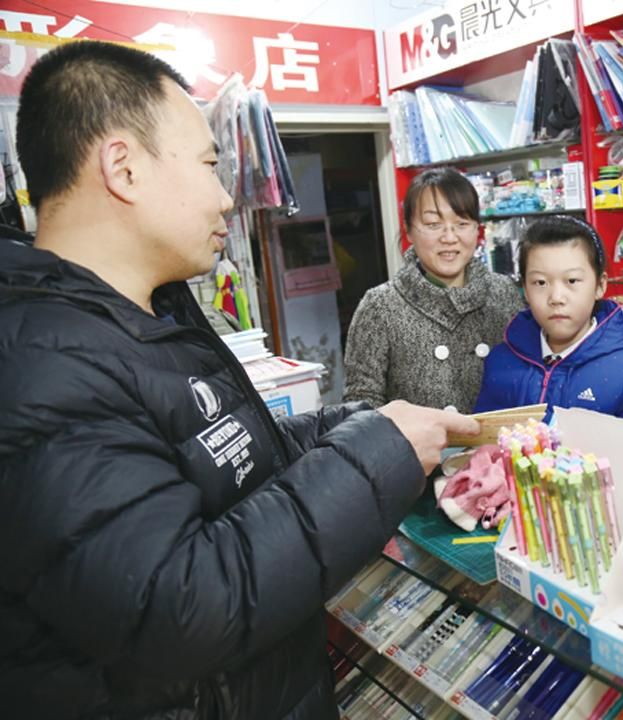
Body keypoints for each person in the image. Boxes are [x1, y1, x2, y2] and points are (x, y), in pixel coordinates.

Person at [0, 41, 478, 719]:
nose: (227, 195)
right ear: (123, 168)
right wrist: (380, 453)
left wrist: (366, 424)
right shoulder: (38, 366)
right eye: (208, 165)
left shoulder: (150, 313)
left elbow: (232, 459)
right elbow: (180, 605)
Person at [344, 168, 523, 412]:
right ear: (408, 230)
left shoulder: (505, 293)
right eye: (433, 224)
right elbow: (360, 404)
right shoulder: (380, 305)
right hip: (416, 450)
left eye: (461, 223)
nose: (449, 237)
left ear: (477, 230)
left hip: (501, 447)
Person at [473, 215, 623, 428]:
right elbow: (483, 447)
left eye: (572, 281)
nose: (556, 298)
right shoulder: (501, 362)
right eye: (540, 282)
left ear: (600, 285)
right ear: (525, 289)